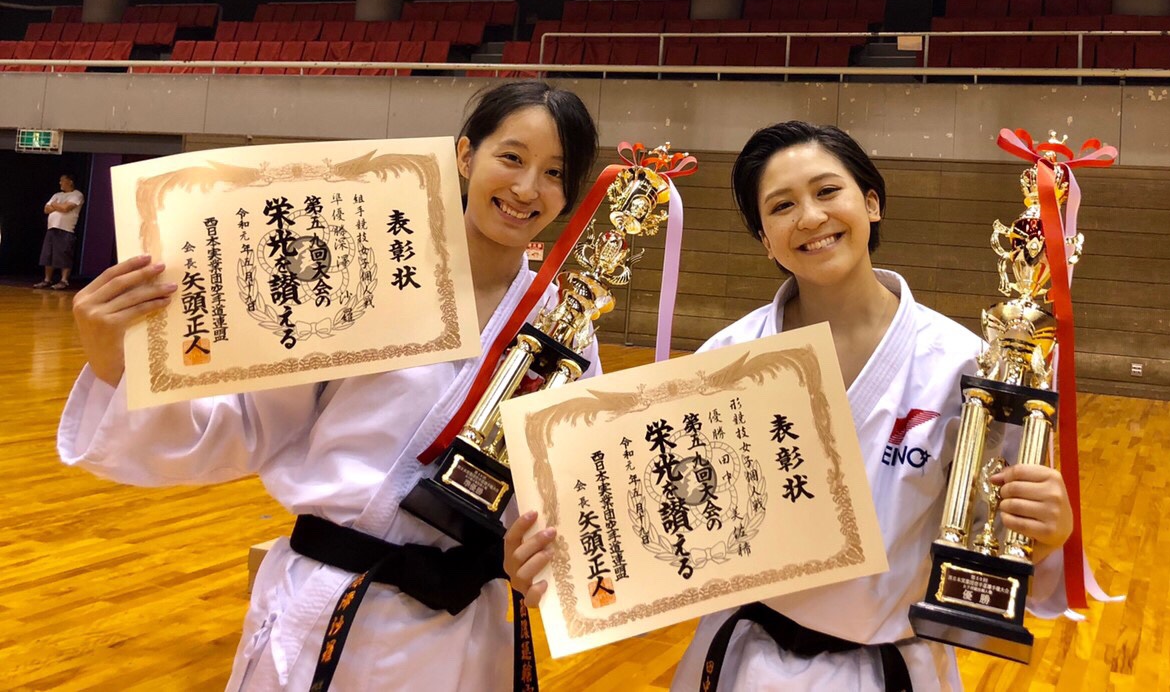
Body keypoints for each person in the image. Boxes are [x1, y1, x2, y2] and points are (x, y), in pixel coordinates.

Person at [58, 80, 600, 691]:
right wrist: (116, 367)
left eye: (554, 173)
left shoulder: (564, 330)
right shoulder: (360, 271)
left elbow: (563, 500)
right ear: (465, 157)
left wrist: (542, 559)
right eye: (512, 157)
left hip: (460, 631)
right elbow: (248, 423)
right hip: (328, 598)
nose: (528, 188)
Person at [508, 120, 1074, 691]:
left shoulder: (967, 365)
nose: (809, 217)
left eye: (828, 192)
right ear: (765, 239)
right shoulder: (727, 357)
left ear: (871, 202)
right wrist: (556, 559)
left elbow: (1000, 551)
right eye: (781, 207)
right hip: (741, 662)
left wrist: (1045, 533)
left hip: (888, 669)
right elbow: (655, 509)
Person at [36, 171, 84, 290]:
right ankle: (47, 279)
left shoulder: (77, 195)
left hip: (66, 229)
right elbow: (46, 209)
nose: (60, 183)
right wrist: (59, 206)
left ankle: (64, 280)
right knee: (48, 255)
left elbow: (66, 208)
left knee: (64, 255)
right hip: (52, 228)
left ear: (70, 181)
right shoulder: (57, 195)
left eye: (62, 180)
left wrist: (56, 206)